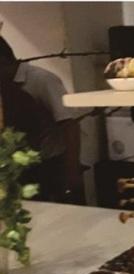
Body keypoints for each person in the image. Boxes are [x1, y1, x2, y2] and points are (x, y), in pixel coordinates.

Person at [0, 35, 83, 202]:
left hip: (50, 167)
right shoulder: (4, 83)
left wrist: (72, 171)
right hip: (19, 170)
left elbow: (70, 124)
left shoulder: (41, 79)